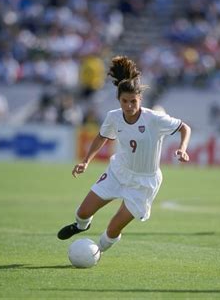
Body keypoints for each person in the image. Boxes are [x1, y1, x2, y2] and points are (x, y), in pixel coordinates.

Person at [57, 56, 191, 254]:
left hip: (144, 183)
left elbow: (184, 127)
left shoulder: (154, 119)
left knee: (112, 229)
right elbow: (102, 137)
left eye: (133, 101)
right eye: (125, 101)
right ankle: (81, 226)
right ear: (118, 100)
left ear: (140, 100)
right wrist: (85, 161)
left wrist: (183, 148)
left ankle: (97, 252)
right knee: (82, 212)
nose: (129, 106)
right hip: (118, 172)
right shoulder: (113, 117)